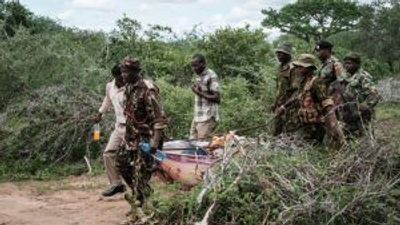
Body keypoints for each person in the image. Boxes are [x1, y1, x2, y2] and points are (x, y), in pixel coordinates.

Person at [117, 56, 167, 222]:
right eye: (122, 71)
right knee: (121, 163)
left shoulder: (147, 89)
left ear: (135, 72)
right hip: (131, 137)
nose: (123, 74)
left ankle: (140, 208)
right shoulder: (128, 87)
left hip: (147, 138)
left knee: (140, 173)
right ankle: (142, 197)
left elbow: (159, 119)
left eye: (126, 71)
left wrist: (155, 143)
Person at [278, 54, 347, 149]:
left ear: (309, 68)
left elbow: (326, 102)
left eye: (301, 67)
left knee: (306, 147)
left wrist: (333, 123)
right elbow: (298, 97)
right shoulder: (304, 82)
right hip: (306, 123)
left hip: (317, 125)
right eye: (298, 66)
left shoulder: (316, 82)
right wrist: (284, 106)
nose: (298, 69)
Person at [94, 64, 126, 197]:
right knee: (108, 153)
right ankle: (116, 183)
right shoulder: (110, 87)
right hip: (119, 127)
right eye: (120, 77)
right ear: (115, 76)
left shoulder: (131, 87)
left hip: (133, 127)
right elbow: (107, 100)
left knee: (134, 157)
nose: (123, 80)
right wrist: (100, 113)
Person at [333, 52, 381, 135]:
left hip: (363, 116)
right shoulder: (346, 77)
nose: (346, 65)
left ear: (357, 64)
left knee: (365, 138)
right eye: (345, 63)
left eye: (349, 63)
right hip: (349, 115)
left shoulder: (363, 76)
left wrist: (362, 107)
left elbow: (375, 95)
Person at [190, 53, 220, 140]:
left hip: (207, 116)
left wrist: (198, 93)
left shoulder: (211, 75)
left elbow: (217, 98)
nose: (194, 68)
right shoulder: (198, 76)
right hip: (197, 116)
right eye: (192, 66)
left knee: (202, 147)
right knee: (192, 144)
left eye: (196, 66)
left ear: (203, 64)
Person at [271, 43, 296, 136]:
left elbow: (296, 90)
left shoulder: (293, 68)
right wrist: (275, 103)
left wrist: (285, 106)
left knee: (288, 131)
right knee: (276, 130)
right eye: (278, 53)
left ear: (288, 55)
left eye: (281, 53)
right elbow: (279, 88)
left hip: (289, 106)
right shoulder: (280, 68)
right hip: (280, 104)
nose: (278, 56)